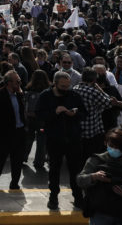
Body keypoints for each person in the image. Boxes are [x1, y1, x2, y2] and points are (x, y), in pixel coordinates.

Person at [36, 71, 86, 210]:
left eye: (67, 86)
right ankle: (53, 197)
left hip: (73, 138)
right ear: (55, 83)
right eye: (62, 86)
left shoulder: (73, 95)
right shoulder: (46, 96)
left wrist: (74, 114)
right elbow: (39, 115)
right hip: (54, 139)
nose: (65, 89)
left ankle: (78, 197)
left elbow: (83, 113)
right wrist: (55, 112)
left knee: (75, 169)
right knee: (54, 169)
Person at [0, 71, 26, 190]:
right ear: (9, 83)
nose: (20, 83)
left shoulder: (19, 93)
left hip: (19, 132)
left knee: (17, 161)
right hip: (5, 134)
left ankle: (14, 184)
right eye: (17, 81)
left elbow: (22, 112)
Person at [76, 127, 122, 224]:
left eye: (118, 147)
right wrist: (94, 176)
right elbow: (80, 180)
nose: (114, 149)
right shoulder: (96, 160)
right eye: (112, 146)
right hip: (101, 213)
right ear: (106, 143)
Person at [73, 67, 116, 160]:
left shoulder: (75, 88)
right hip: (91, 129)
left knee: (80, 153)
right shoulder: (93, 91)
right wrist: (100, 89)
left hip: (78, 126)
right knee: (90, 154)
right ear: (94, 79)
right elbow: (108, 104)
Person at [23, 69, 51, 170]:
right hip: (43, 120)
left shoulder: (29, 89)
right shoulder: (48, 91)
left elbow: (25, 104)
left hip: (30, 119)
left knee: (28, 138)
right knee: (42, 141)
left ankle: (23, 156)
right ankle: (39, 161)